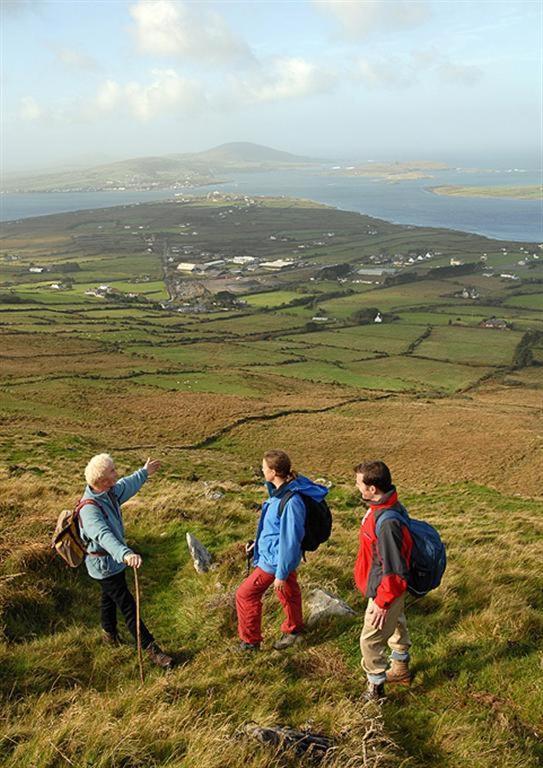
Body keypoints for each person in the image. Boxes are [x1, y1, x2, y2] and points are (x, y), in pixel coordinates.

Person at [78, 453, 173, 669]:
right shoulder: (90, 510)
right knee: (128, 605)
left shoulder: (108, 492)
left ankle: (109, 634)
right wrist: (125, 553)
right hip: (104, 566)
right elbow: (104, 536)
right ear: (103, 481)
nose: (116, 473)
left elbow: (126, 485)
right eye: (113, 471)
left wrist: (144, 472)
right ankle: (152, 650)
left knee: (108, 597)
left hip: (112, 564)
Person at [235, 449, 329, 652]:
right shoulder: (279, 492)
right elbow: (274, 531)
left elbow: (290, 540)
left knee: (245, 595)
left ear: (274, 472)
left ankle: (250, 642)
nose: (261, 471)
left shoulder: (291, 501)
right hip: (277, 557)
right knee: (289, 593)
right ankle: (294, 631)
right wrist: (257, 544)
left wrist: (281, 572)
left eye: (264, 468)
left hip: (275, 561)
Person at [353, 460, 412, 700]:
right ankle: (400, 669)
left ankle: (376, 690)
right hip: (384, 586)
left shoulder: (387, 523)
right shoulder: (385, 505)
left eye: (359, 484)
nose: (356, 487)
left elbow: (394, 571)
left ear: (372, 489)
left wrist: (382, 602)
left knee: (369, 640)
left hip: (384, 589)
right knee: (397, 622)